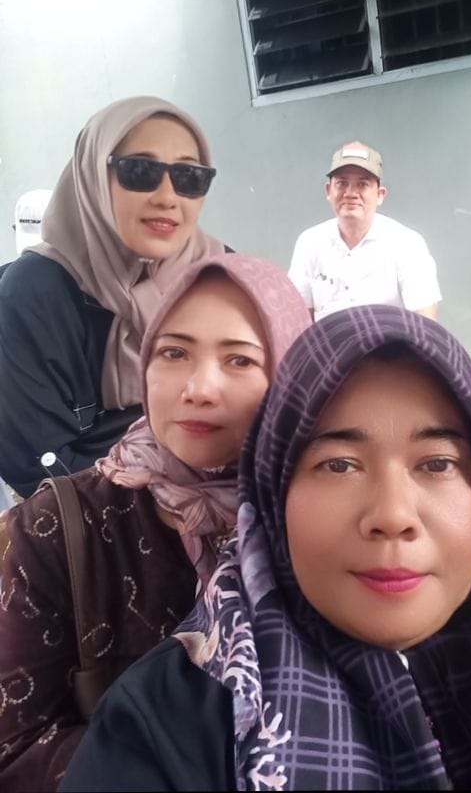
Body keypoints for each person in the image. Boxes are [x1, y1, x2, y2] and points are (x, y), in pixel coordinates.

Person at [61, 307, 471, 792]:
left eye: (437, 463)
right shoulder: (173, 719)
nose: (393, 516)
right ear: (272, 494)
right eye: (338, 465)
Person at [0, 253, 311, 792]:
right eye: (174, 352)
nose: (199, 388)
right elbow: (14, 747)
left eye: (240, 360)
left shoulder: (316, 520)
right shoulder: (59, 527)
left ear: (289, 377)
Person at [0, 97, 226, 498]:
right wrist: (176, 497)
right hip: (89, 517)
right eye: (139, 171)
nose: (168, 196)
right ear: (92, 176)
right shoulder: (37, 291)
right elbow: (36, 465)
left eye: (189, 176)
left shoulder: (223, 275)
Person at [288, 140, 441, 320]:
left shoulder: (407, 244)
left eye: (362, 184)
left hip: (389, 339)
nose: (350, 193)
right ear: (329, 191)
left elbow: (425, 325)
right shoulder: (309, 243)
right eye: (342, 183)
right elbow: (298, 320)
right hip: (326, 339)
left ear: (380, 195)